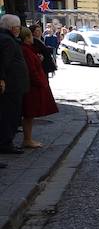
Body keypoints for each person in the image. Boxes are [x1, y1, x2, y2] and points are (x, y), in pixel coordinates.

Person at [19, 27, 59, 147]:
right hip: (32, 86)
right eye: (31, 35)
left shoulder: (29, 49)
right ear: (26, 38)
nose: (34, 37)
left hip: (34, 84)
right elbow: (31, 70)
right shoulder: (26, 50)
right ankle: (27, 139)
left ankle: (28, 139)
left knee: (29, 114)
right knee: (29, 113)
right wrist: (41, 82)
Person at [0, 15, 29, 154]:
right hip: (11, 86)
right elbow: (3, 62)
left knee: (9, 115)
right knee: (9, 115)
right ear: (12, 28)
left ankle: (6, 141)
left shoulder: (7, 39)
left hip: (12, 84)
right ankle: (6, 143)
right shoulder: (7, 41)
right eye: (18, 27)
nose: (19, 29)